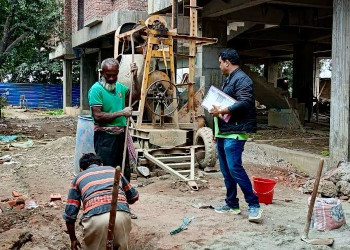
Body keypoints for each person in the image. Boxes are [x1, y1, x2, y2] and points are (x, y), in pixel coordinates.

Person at [209, 48, 262, 223]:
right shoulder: (229, 80)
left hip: (237, 131)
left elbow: (246, 102)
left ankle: (253, 205)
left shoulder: (242, 79)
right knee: (226, 171)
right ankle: (232, 203)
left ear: (227, 62)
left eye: (220, 63)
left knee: (235, 168)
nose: (219, 66)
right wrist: (217, 132)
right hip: (225, 131)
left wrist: (223, 110)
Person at [63, 153, 139, 250]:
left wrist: (73, 239)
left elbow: (70, 215)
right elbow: (134, 197)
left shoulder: (79, 178)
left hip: (96, 219)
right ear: (101, 164)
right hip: (121, 216)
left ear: (81, 169)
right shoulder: (114, 171)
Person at [88, 58, 139, 181]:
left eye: (114, 75)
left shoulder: (119, 88)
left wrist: (135, 78)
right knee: (107, 172)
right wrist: (122, 112)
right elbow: (98, 116)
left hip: (120, 136)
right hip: (105, 138)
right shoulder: (96, 90)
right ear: (102, 73)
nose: (111, 78)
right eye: (108, 75)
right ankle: (108, 198)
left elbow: (136, 95)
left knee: (124, 172)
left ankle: (122, 198)